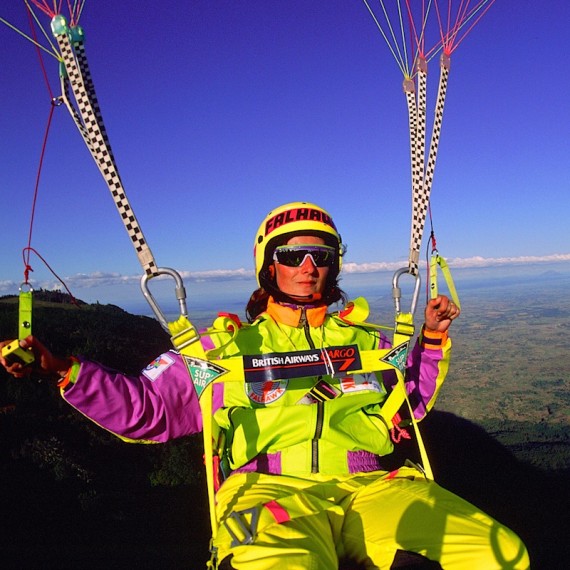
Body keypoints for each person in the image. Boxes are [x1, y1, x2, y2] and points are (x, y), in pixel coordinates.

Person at [1, 202, 529, 569]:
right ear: (267, 265)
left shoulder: (372, 340)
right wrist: (64, 371)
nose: (307, 266)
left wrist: (431, 339)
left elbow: (407, 399)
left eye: (320, 255)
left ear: (335, 264)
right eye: (291, 255)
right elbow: (149, 411)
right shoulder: (222, 349)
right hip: (269, 492)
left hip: (377, 487)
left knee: (496, 556)